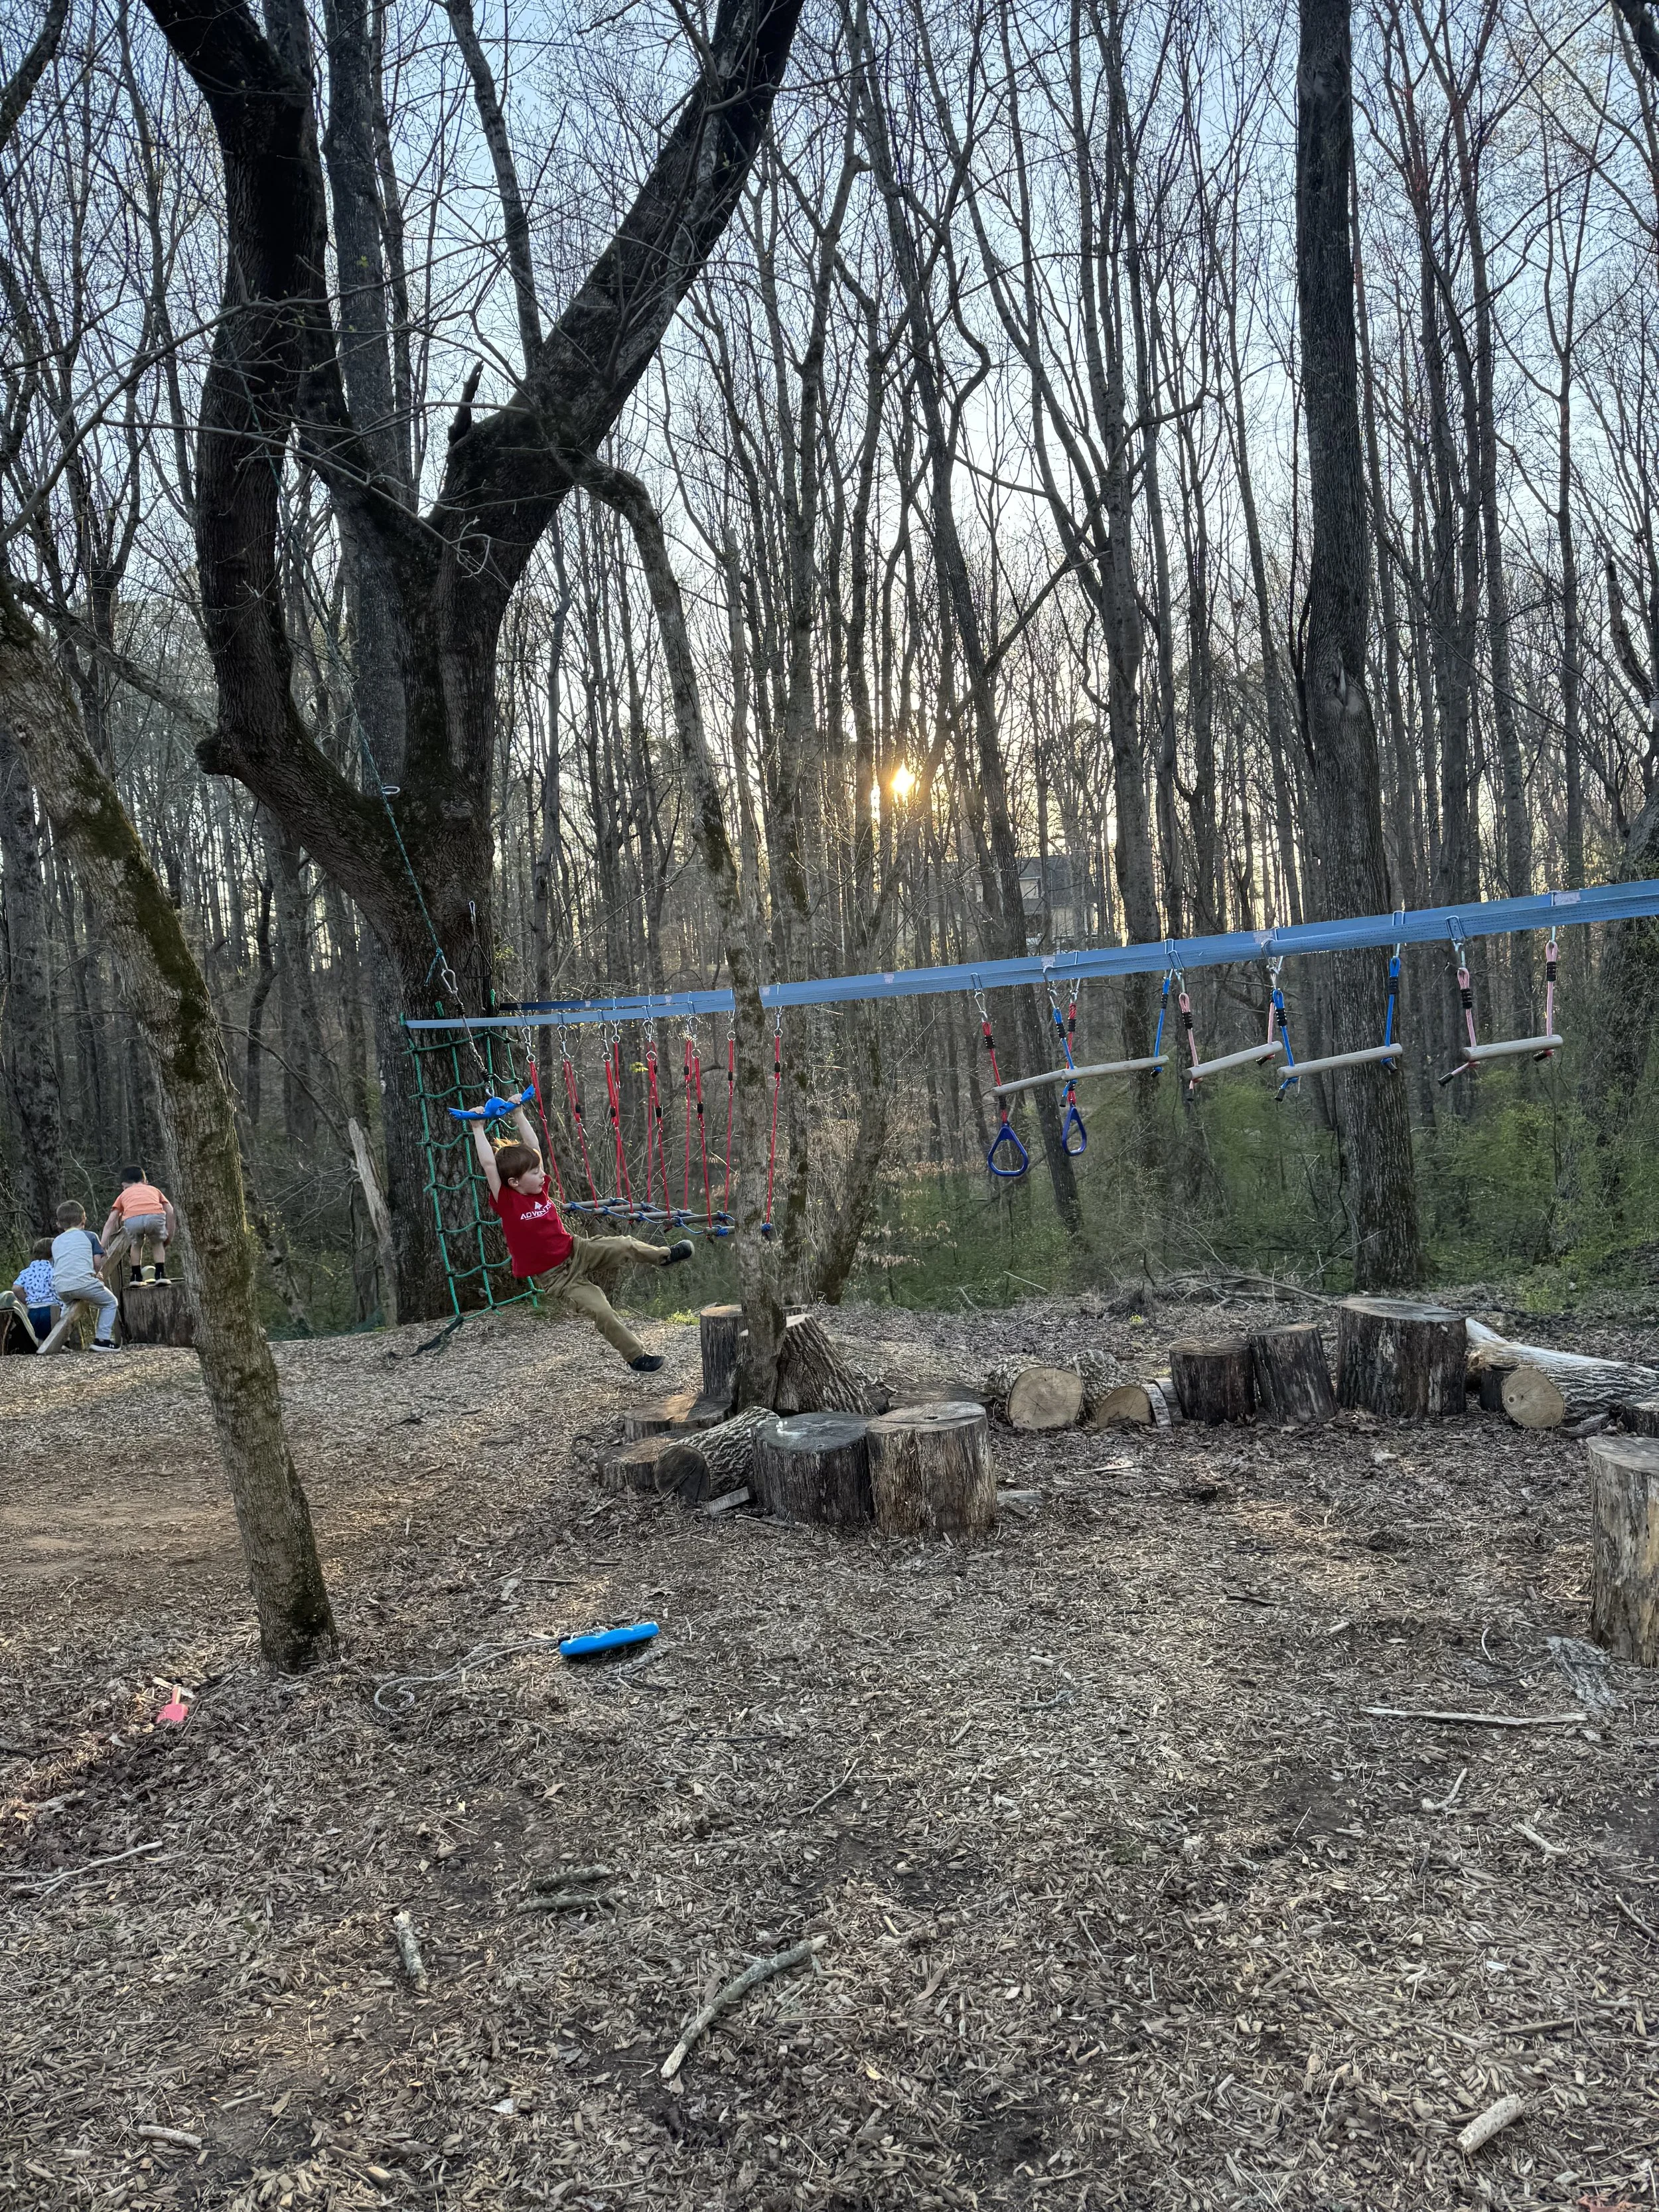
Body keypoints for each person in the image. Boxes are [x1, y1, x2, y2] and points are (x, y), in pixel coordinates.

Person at [468, 1098, 693, 1371]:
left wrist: (518, 1112)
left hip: (577, 1249)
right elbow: (490, 1167)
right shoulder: (506, 1200)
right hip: (558, 1278)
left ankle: (665, 1257)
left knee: (624, 1244)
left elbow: (535, 1148)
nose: (542, 1175)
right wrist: (478, 1129)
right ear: (514, 1182)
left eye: (540, 1170)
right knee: (602, 1310)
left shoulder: (539, 1190)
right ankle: (636, 1357)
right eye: (534, 1172)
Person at [51, 1201, 119, 1351]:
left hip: (61, 1287)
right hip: (83, 1283)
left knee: (68, 1308)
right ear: (84, 1218)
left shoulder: (56, 1242)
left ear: (59, 1224)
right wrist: (97, 1274)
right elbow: (96, 1262)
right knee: (110, 1303)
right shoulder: (90, 1236)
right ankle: (103, 1340)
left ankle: (63, 1341)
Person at [101, 1167, 177, 1282]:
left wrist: (102, 1246)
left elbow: (110, 1222)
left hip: (132, 1219)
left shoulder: (123, 1195)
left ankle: (136, 1277)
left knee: (136, 1245)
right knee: (157, 1244)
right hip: (155, 1216)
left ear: (124, 1186)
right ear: (145, 1181)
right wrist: (169, 1234)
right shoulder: (153, 1190)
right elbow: (170, 1211)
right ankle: (160, 1275)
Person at [11, 1238, 56, 1345]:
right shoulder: (53, 1269)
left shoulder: (28, 1271)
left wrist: (27, 1301)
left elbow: (16, 1288)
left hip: (33, 1312)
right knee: (52, 1338)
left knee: (40, 1339)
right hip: (51, 1311)